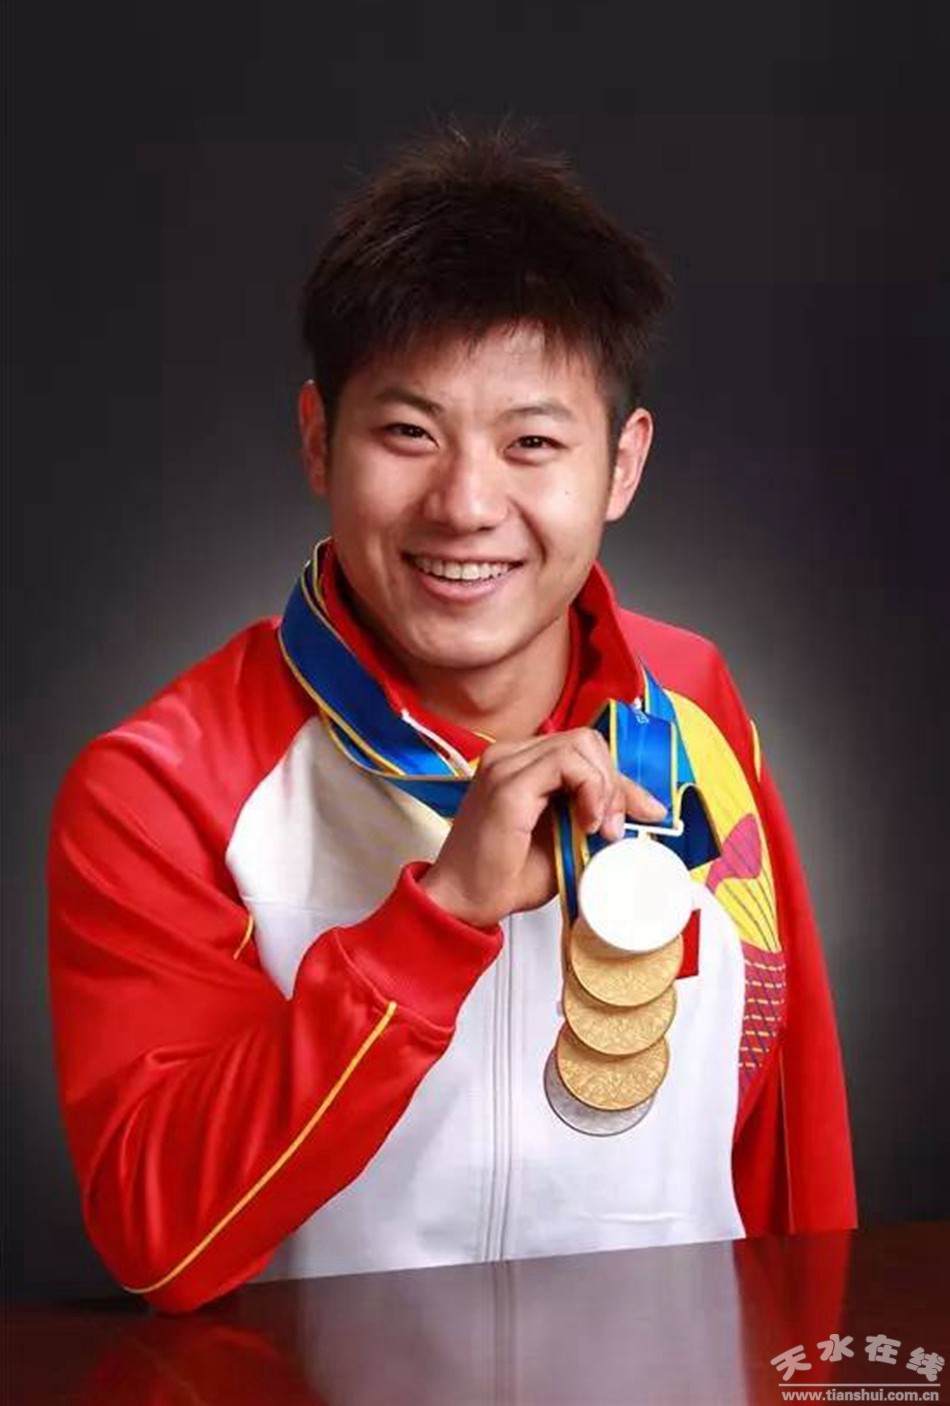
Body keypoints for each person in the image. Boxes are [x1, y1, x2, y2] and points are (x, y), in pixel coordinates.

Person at [47, 123, 857, 1316]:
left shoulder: (691, 704)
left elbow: (784, 1126)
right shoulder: (164, 787)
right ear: (318, 439)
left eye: (532, 443)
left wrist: (815, 1368)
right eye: (407, 433)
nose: (467, 503)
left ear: (620, 465)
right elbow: (160, 1239)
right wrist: (434, 924)